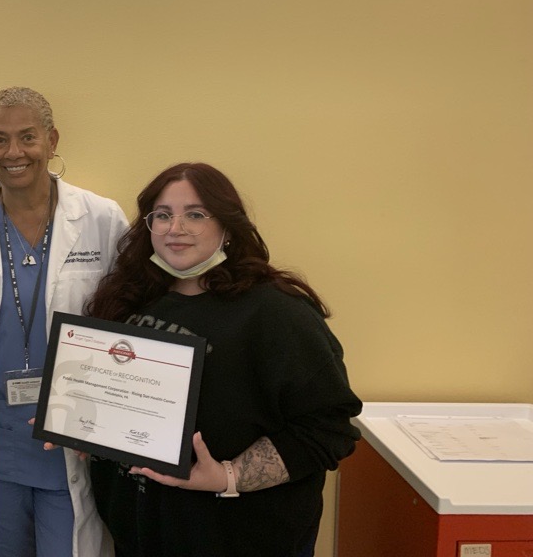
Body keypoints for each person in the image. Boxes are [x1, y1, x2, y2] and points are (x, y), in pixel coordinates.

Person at [84, 162, 361, 557]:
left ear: (228, 227)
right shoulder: (131, 298)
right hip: (141, 534)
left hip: (241, 538)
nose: (175, 228)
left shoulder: (276, 312)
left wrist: (227, 476)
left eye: (195, 214)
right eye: (162, 215)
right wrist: (86, 426)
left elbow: (328, 428)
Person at [0, 87, 128, 557]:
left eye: (28, 137)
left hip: (72, 439)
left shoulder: (102, 219)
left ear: (52, 139)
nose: (14, 153)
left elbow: (127, 322)